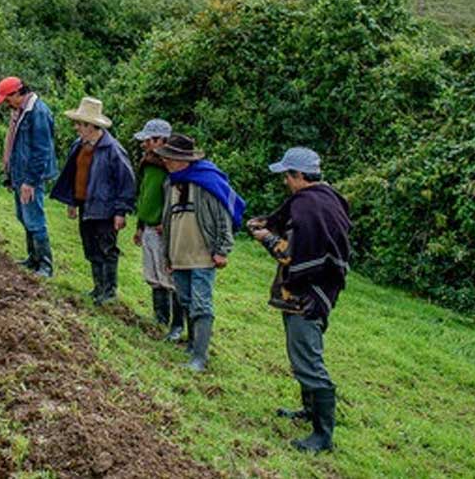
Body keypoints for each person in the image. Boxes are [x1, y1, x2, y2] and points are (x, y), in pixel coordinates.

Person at [248, 147, 351, 453]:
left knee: (308, 360)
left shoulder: (308, 207)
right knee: (302, 355)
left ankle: (323, 436)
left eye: (287, 176)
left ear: (299, 176)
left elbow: (291, 254)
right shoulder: (328, 199)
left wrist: (264, 236)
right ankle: (309, 411)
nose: (285, 183)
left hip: (306, 295)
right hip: (318, 289)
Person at [156, 133, 244, 372]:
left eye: (169, 158)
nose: (165, 162)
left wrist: (222, 250)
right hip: (179, 254)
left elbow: (222, 217)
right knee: (184, 300)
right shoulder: (171, 183)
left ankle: (200, 357)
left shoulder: (206, 182)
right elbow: (168, 219)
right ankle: (193, 344)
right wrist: (168, 256)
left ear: (182, 159)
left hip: (203, 255)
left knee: (201, 304)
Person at [51, 97, 136, 305]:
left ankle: (109, 291)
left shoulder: (113, 150)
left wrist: (120, 211)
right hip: (85, 205)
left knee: (107, 248)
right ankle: (98, 287)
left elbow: (126, 182)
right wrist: (71, 201)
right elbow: (73, 175)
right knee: (90, 247)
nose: (76, 127)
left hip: (105, 208)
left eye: (80, 124)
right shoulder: (79, 146)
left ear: (92, 126)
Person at [0, 77, 58, 277]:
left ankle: (45, 265)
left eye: (7, 99)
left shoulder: (37, 113)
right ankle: (33, 258)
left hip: (32, 177)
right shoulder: (21, 112)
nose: (6, 103)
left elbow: (41, 151)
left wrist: (30, 181)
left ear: (18, 93)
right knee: (23, 216)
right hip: (21, 175)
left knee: (34, 218)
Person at [131, 119, 185, 339]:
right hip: (149, 226)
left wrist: (168, 222)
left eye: (150, 140)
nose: (146, 144)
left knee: (170, 277)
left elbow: (177, 199)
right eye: (146, 140)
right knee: (152, 273)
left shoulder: (173, 168)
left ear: (163, 140)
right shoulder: (148, 164)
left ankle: (177, 324)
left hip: (164, 229)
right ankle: (160, 317)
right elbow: (146, 195)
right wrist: (140, 225)